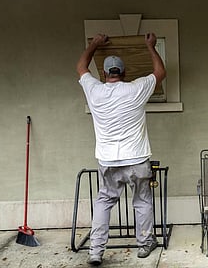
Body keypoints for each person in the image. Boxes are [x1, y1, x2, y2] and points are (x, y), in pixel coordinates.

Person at [76, 32, 166, 266]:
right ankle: (145, 244)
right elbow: (160, 73)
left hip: (107, 159)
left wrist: (94, 44)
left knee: (104, 201)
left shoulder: (94, 90)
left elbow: (81, 67)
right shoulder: (136, 88)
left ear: (105, 73)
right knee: (142, 201)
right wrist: (150, 46)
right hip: (136, 157)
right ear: (124, 73)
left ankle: (96, 251)